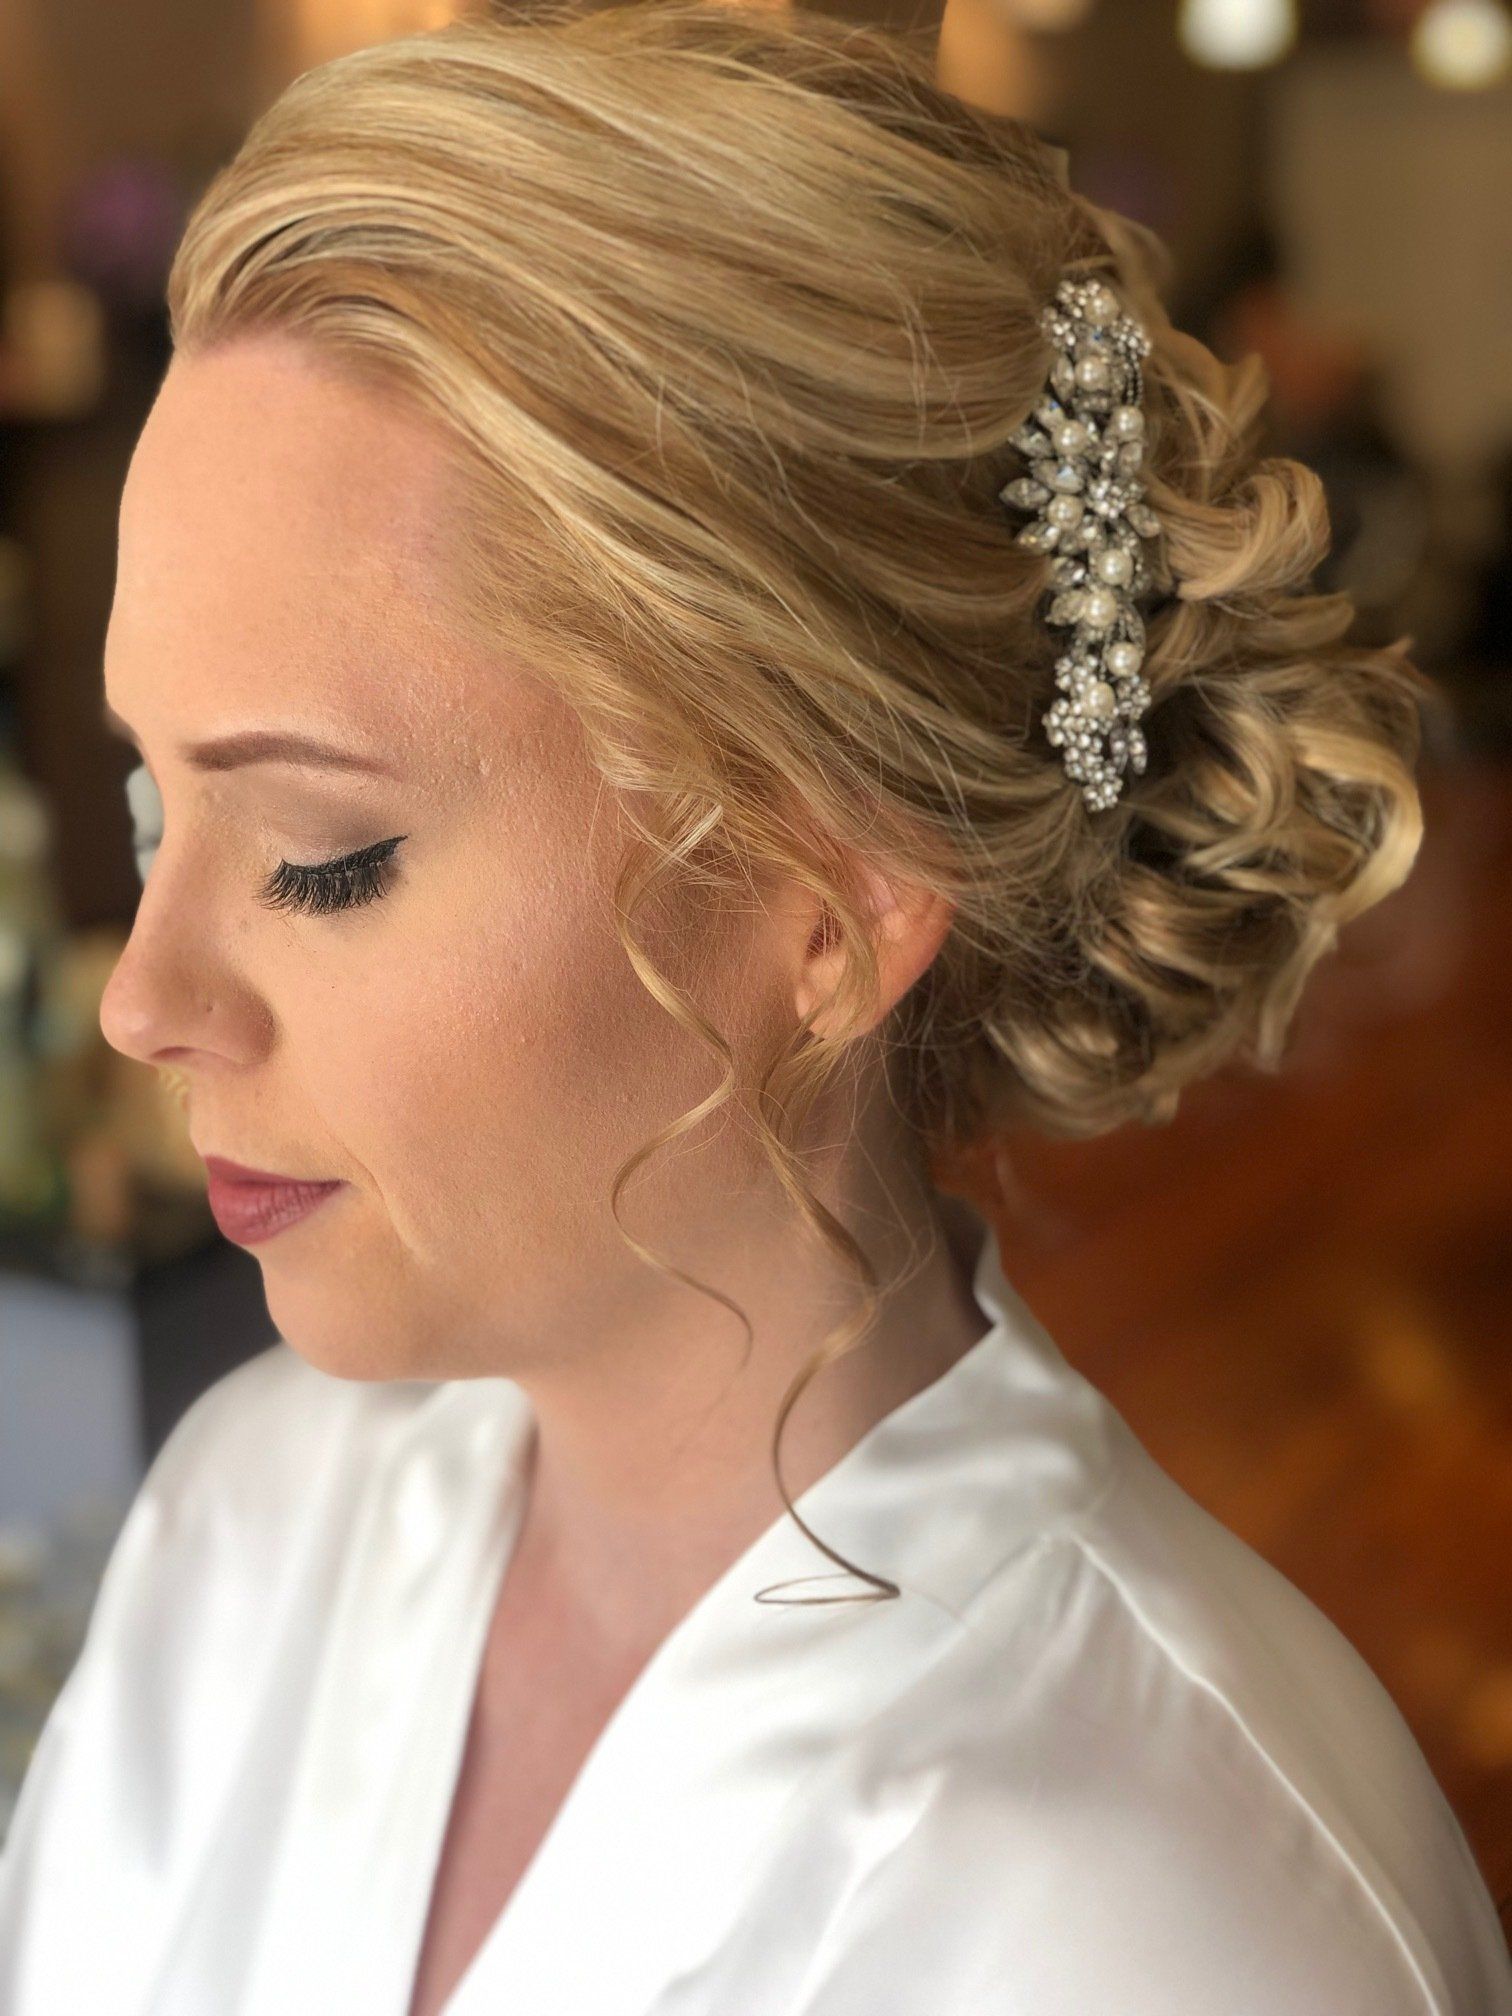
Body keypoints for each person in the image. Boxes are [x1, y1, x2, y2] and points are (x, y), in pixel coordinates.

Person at [1, 4, 1508, 2011]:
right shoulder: (245, 1521)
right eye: (148, 806)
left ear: (832, 903)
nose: (145, 1000)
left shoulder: (1183, 1925)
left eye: (321, 854)